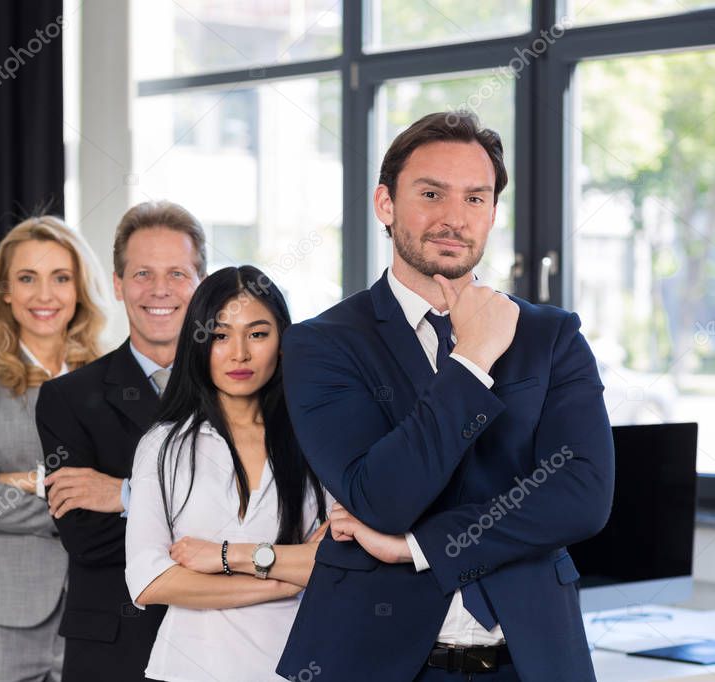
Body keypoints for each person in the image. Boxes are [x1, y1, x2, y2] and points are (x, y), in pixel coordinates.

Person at [276, 111, 614, 682]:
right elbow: (380, 498)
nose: (454, 218)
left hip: (531, 661)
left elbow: (584, 496)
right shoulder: (323, 344)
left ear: (493, 212)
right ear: (385, 204)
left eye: (476, 199)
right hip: (379, 663)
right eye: (431, 193)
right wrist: (473, 358)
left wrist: (418, 545)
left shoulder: (550, 336)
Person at [125, 266, 330, 682]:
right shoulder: (164, 445)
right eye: (220, 335)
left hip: (296, 666)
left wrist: (222, 556)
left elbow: (333, 565)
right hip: (188, 670)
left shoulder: (316, 440)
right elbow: (149, 580)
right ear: (199, 342)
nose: (239, 353)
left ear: (282, 341)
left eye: (257, 334)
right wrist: (282, 582)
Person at [35, 200, 206, 681]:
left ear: (201, 284)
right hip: (114, 648)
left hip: (223, 638)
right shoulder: (67, 398)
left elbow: (263, 522)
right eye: (142, 274)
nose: (159, 290)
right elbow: (86, 538)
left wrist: (126, 494)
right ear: (117, 283)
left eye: (177, 274)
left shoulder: (242, 387)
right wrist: (219, 541)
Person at [0, 215, 109, 681]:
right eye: (27, 278)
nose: (44, 295)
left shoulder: (114, 375)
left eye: (61, 278)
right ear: (4, 292)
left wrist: (16, 480)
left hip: (98, 613)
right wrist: (87, 502)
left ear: (79, 287)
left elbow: (138, 489)